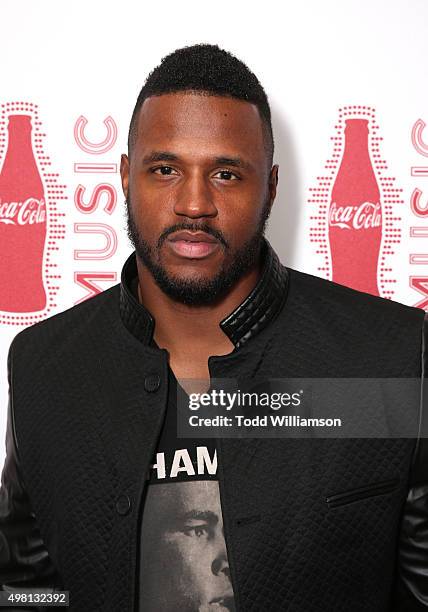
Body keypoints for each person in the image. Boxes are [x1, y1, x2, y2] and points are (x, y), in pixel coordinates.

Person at [0, 43, 426, 612]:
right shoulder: (44, 364)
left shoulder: (389, 356)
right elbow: (28, 592)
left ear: (271, 187)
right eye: (165, 169)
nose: (194, 203)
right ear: (126, 176)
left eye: (226, 173)